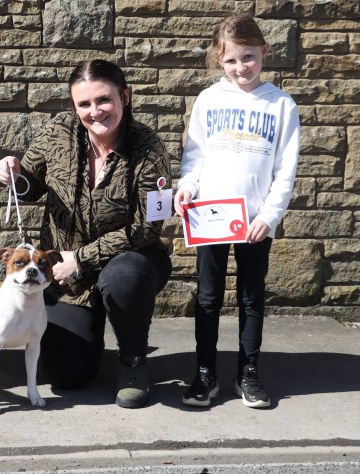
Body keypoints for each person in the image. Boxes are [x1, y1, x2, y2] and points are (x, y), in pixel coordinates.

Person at [0, 59, 172, 409]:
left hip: (129, 262)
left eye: (104, 100)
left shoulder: (150, 148)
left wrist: (80, 258)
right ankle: (91, 334)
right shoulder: (57, 132)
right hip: (67, 277)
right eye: (84, 104)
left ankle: (133, 361)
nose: (95, 111)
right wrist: (13, 174)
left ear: (125, 97)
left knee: (124, 277)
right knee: (67, 376)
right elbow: (30, 186)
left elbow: (148, 227)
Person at [174, 14, 300, 409]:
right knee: (208, 297)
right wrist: (187, 187)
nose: (240, 67)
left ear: (264, 51)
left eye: (248, 57)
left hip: (255, 222)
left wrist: (269, 216)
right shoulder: (209, 100)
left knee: (251, 298)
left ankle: (248, 373)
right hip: (211, 216)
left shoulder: (281, 104)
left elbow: (286, 170)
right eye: (230, 60)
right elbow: (194, 157)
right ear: (219, 59)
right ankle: (205, 374)